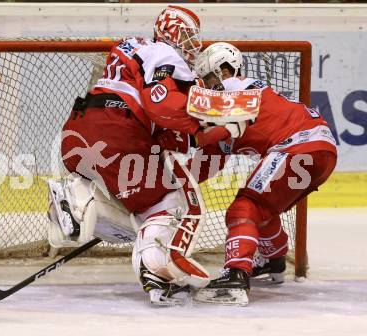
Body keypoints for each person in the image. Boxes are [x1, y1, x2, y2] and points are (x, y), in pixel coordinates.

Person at [48, 6, 231, 306]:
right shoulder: (165, 54)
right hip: (118, 133)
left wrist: (201, 132)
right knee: (168, 200)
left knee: (137, 214)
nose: (191, 45)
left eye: (194, 38)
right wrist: (206, 123)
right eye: (185, 35)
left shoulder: (130, 46)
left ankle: (81, 196)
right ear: (168, 32)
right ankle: (156, 274)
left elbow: (160, 123)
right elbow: (161, 103)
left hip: (80, 131)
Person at [191, 42, 337, 306]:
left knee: (243, 209)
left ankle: (236, 275)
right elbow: (207, 163)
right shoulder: (229, 110)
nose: (204, 85)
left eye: (208, 78)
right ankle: (273, 259)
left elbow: (200, 126)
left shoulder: (233, 88)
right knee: (263, 208)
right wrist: (173, 186)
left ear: (225, 71)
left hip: (298, 146)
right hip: (320, 151)